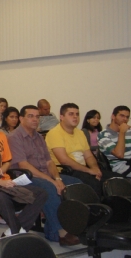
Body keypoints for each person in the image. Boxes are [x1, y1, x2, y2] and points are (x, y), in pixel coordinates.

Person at [0, 103, 48, 237]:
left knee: (41, 193)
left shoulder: (2, 137)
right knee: (2, 197)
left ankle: (15, 230)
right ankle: (17, 231)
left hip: (5, 182)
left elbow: (7, 161)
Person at [8, 105, 80, 245]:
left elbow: (49, 162)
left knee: (76, 183)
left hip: (44, 175)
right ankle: (60, 232)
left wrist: (57, 178)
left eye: (37, 116)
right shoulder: (14, 137)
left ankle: (72, 226)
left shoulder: (39, 137)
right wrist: (52, 181)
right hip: (25, 177)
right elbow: (23, 165)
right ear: (21, 119)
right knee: (49, 188)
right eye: (30, 116)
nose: (35, 119)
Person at [45, 103, 112, 196]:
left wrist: (95, 168)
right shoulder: (54, 133)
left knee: (114, 179)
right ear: (61, 117)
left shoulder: (80, 133)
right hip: (67, 171)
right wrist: (89, 171)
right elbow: (64, 160)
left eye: (77, 114)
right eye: (71, 114)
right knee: (94, 183)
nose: (75, 117)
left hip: (83, 169)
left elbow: (89, 156)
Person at [98, 105, 131, 179]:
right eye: (122, 116)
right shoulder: (103, 134)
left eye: (127, 117)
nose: (125, 119)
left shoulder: (130, 132)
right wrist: (122, 132)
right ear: (113, 116)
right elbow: (119, 154)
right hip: (121, 166)